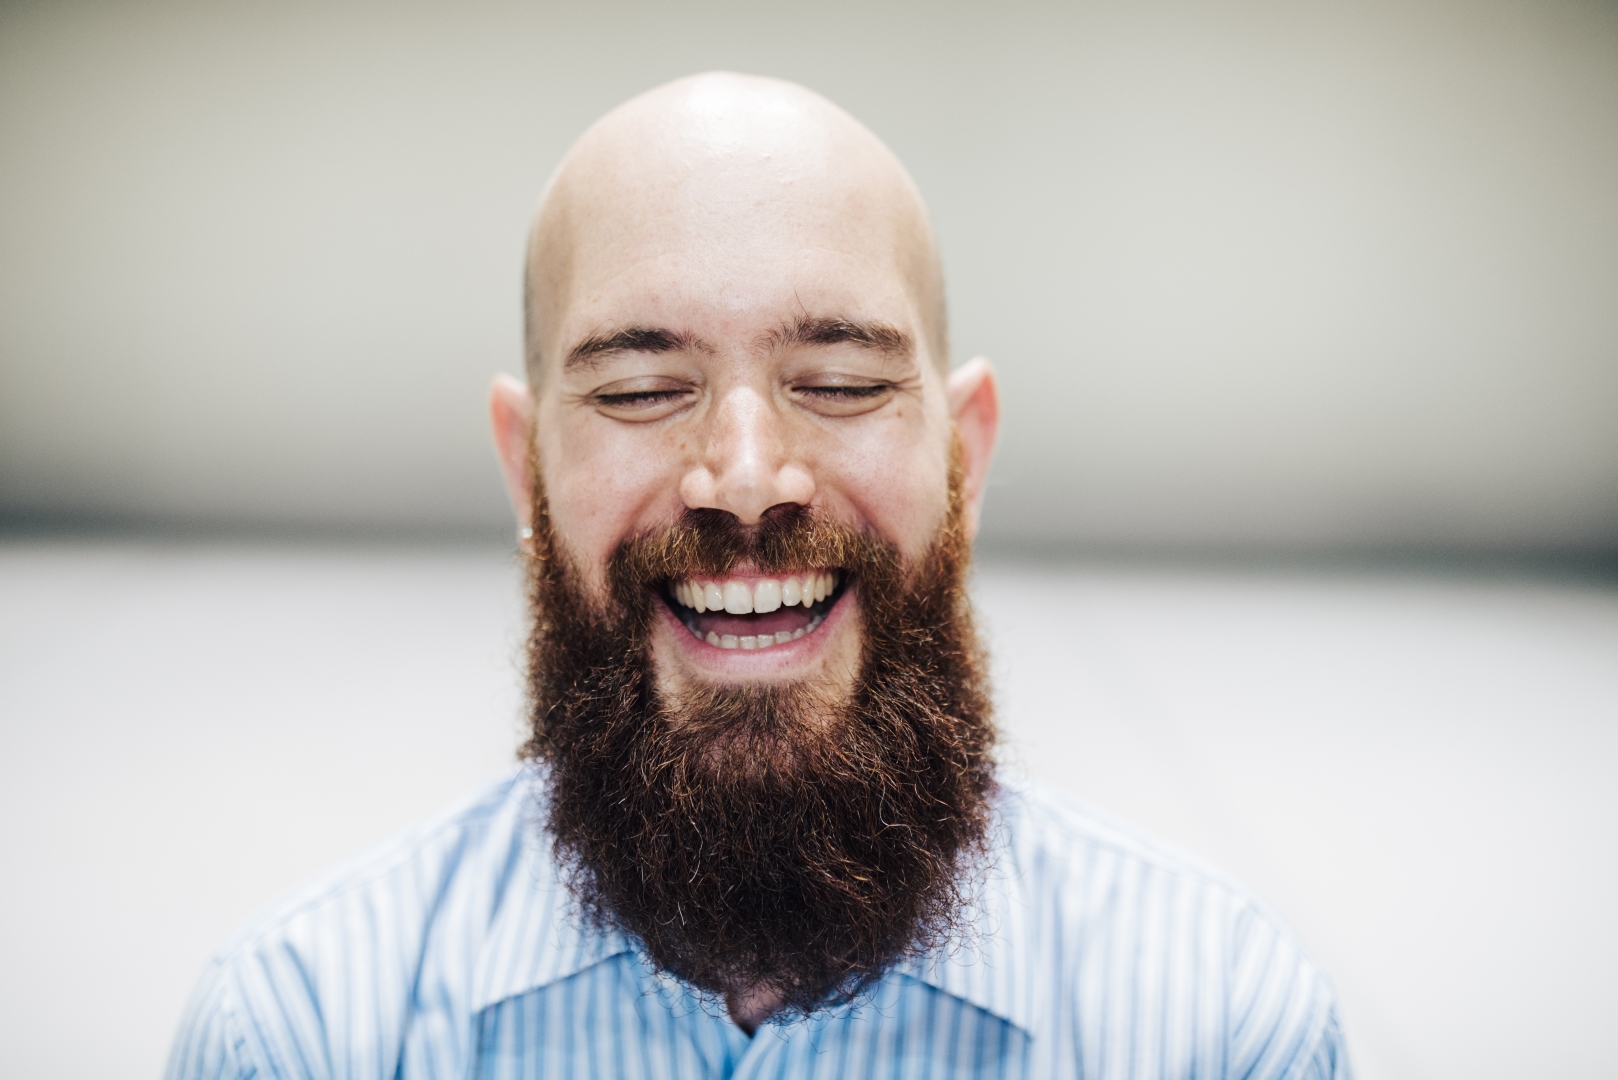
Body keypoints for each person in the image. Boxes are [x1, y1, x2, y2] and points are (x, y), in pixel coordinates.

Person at [166, 72, 1349, 1079]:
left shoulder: (1217, 1028)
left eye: (840, 383)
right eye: (640, 391)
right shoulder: (301, 1035)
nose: (742, 478)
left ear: (965, 457)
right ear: (526, 470)